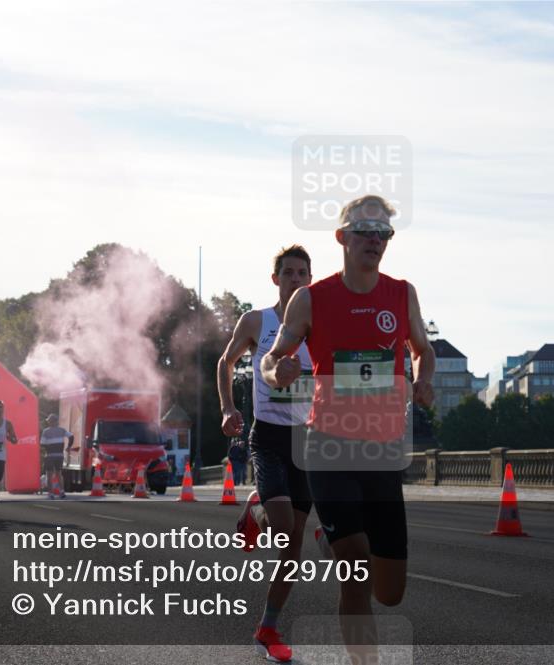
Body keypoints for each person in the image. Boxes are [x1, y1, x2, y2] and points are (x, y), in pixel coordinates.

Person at [261, 195, 436, 656]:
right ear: (342, 237)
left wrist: (426, 378)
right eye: (365, 232)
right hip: (329, 446)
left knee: (390, 591)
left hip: (381, 452)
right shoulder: (311, 298)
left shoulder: (402, 294)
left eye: (384, 234)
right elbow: (271, 358)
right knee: (356, 566)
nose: (374, 241)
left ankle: (332, 539)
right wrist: (277, 370)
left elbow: (423, 348)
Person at [217, 244, 315, 663]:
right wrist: (227, 407)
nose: (296, 279)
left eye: (302, 273)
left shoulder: (319, 324)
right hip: (269, 437)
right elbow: (225, 360)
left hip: (307, 442)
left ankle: (268, 627)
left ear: (310, 280)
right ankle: (255, 509)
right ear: (276, 279)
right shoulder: (258, 321)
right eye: (288, 273)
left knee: (292, 546)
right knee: (279, 527)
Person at [40, 414, 73, 499]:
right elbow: (71, 436)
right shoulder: (62, 430)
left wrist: (46, 451)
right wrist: (69, 447)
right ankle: (62, 492)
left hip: (50, 456)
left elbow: (42, 444)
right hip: (59, 455)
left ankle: (51, 493)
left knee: (49, 475)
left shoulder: (46, 431)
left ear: (50, 422)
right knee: (59, 474)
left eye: (49, 421)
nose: (48, 423)